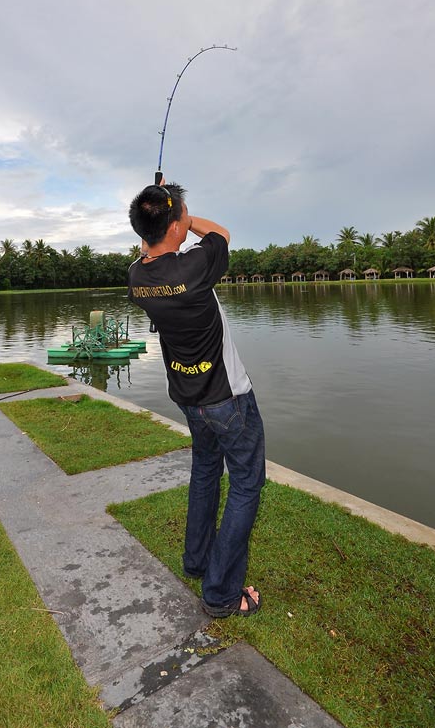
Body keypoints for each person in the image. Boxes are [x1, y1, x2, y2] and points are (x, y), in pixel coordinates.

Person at [128, 179, 265, 617]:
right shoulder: (194, 268)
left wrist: (164, 210)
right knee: (245, 484)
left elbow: (152, 248)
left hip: (188, 397)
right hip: (228, 396)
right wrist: (182, 215)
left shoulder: (137, 278)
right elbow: (220, 233)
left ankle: (196, 561)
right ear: (175, 227)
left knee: (206, 470)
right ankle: (222, 593)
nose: (187, 221)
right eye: (181, 216)